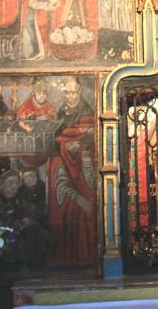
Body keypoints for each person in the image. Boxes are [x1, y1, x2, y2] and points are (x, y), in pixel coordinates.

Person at [47, 78, 98, 266]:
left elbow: (89, 182)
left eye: (73, 92)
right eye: (67, 93)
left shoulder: (85, 111)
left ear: (79, 92)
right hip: (67, 208)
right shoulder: (59, 160)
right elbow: (62, 184)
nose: (70, 96)